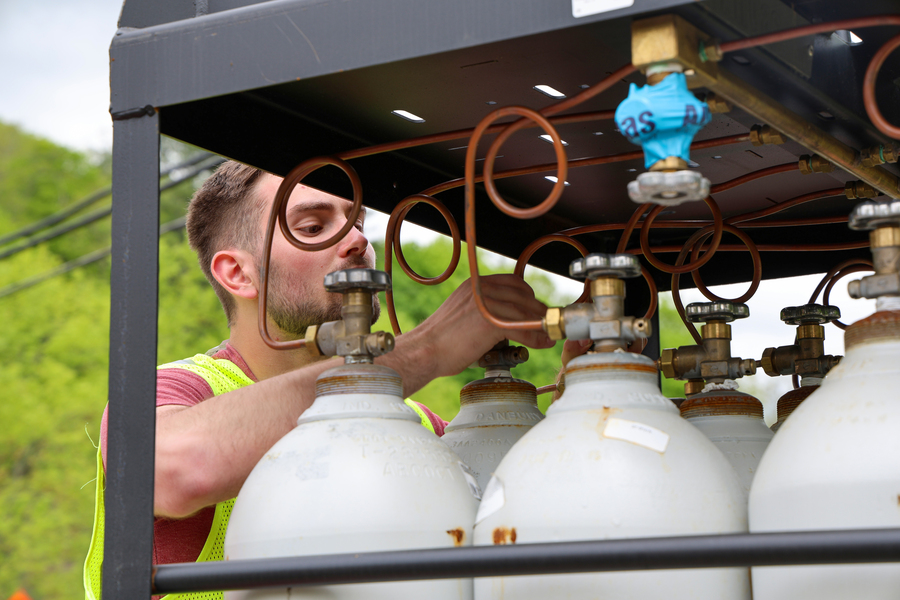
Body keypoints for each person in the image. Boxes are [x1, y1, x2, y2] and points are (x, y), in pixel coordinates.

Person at [84, 160, 561, 595]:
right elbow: (173, 470)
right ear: (238, 274)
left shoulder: (415, 423)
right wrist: (428, 349)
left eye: (356, 222)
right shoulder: (178, 394)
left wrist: (586, 388)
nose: (357, 240)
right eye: (313, 227)